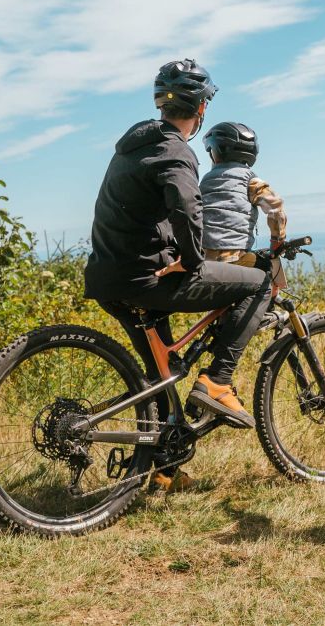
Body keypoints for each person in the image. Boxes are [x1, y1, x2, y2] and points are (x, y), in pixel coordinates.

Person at [83, 58, 271, 431]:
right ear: (201, 108)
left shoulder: (134, 144)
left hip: (108, 276)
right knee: (261, 282)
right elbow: (187, 209)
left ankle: (163, 465)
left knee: (160, 374)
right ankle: (218, 382)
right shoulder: (176, 151)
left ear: (160, 103)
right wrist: (192, 260)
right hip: (148, 278)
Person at [200, 121, 287, 266]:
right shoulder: (250, 181)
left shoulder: (205, 181)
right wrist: (277, 240)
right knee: (268, 269)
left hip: (202, 257)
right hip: (236, 258)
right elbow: (275, 207)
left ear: (213, 150)